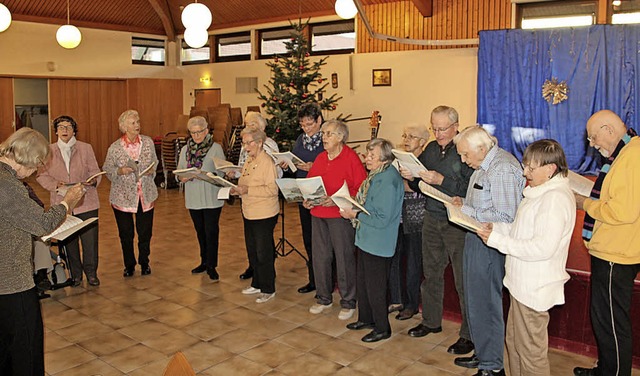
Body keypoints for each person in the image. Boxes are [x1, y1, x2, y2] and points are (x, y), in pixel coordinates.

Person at [477, 139, 576, 376]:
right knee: (515, 344)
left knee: (531, 354)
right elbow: (521, 231)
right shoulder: (539, 193)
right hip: (522, 286)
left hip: (535, 289)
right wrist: (496, 228)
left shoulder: (554, 200)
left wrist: (497, 241)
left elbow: (542, 248)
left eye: (531, 168)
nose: (525, 172)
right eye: (525, 165)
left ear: (550, 169)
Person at [0, 128, 84, 375]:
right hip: (11, 282)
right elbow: (42, 224)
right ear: (27, 158)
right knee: (25, 350)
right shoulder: (7, 185)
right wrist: (68, 202)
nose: (36, 171)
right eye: (37, 165)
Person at [451, 125, 525, 376]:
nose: (463, 160)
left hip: (491, 244)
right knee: (475, 301)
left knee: (486, 303)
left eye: (465, 154)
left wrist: (468, 212)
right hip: (477, 237)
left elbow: (506, 216)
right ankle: (484, 353)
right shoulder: (483, 165)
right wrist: (463, 203)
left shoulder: (502, 168)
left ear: (482, 148)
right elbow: (484, 203)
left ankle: (492, 366)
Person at [400, 105, 475, 355]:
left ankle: (468, 335)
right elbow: (417, 181)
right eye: (434, 128)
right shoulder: (431, 148)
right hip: (431, 217)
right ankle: (431, 321)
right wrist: (409, 174)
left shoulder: (466, 149)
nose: (439, 133)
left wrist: (442, 181)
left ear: (456, 125)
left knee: (463, 281)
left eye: (443, 129)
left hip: (458, 222)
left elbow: (472, 190)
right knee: (431, 273)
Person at [573, 110, 640, 376]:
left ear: (609, 130)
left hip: (618, 255)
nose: (592, 144)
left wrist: (584, 204)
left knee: (612, 324)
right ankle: (605, 369)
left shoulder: (632, 157)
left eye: (594, 137)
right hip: (612, 250)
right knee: (604, 320)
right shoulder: (623, 154)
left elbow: (622, 212)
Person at [341, 138, 404, 342]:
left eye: (371, 156)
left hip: (379, 241)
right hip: (366, 237)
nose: (366, 158)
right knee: (363, 282)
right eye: (367, 154)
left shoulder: (388, 180)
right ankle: (366, 318)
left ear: (384, 159)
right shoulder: (376, 175)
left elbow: (383, 218)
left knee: (376, 287)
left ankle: (382, 327)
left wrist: (355, 215)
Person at [306, 119, 367, 321]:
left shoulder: (351, 158)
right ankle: (323, 298)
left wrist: (336, 200)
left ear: (341, 137)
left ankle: (348, 301)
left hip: (340, 215)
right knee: (320, 257)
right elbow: (311, 183)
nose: (324, 137)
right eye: (323, 134)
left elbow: (360, 189)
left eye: (329, 134)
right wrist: (307, 199)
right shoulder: (321, 158)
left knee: (344, 258)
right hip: (318, 214)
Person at [37, 115, 102, 286]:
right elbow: (41, 176)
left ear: (74, 130)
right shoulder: (48, 151)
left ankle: (91, 273)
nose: (65, 130)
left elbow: (95, 171)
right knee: (69, 241)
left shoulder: (86, 148)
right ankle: (76, 275)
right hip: (62, 202)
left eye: (68, 127)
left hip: (86, 199)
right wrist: (55, 185)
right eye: (61, 127)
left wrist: (93, 180)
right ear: (56, 131)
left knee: (90, 241)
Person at [103, 109, 159, 277]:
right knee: (126, 234)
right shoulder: (114, 148)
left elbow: (155, 162)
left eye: (138, 122)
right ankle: (129, 264)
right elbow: (107, 169)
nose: (138, 126)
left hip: (146, 195)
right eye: (133, 123)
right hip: (123, 197)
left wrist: (151, 171)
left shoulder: (148, 142)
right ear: (124, 126)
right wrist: (119, 171)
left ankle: (144, 262)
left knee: (145, 232)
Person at [231, 128, 279, 304]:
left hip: (264, 213)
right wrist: (235, 189)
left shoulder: (267, 162)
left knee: (263, 252)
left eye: (249, 142)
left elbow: (273, 190)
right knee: (253, 250)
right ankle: (257, 283)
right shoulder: (250, 161)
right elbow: (243, 182)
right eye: (244, 143)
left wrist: (248, 190)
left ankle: (268, 288)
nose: (245, 147)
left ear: (259, 143)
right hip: (249, 211)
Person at [177, 116, 226, 281]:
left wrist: (206, 175)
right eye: (193, 133)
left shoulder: (216, 148)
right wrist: (182, 177)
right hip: (193, 197)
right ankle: (203, 262)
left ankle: (212, 266)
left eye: (199, 132)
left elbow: (222, 173)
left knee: (211, 232)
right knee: (200, 232)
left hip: (211, 197)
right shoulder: (185, 150)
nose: (196, 136)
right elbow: (179, 171)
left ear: (206, 131)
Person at [388, 125, 429, 320]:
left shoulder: (427, 162)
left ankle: (412, 304)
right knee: (394, 258)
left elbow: (421, 188)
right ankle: (396, 298)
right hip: (398, 216)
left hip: (417, 218)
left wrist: (407, 185)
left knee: (413, 263)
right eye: (405, 135)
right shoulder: (398, 159)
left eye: (412, 137)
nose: (406, 139)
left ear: (422, 142)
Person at [291, 103, 324, 294]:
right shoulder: (299, 140)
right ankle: (313, 279)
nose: (306, 128)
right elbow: (295, 162)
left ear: (319, 120)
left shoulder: (326, 140)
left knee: (323, 240)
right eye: (303, 124)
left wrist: (314, 166)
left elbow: (330, 165)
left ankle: (327, 280)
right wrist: (287, 163)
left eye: (309, 124)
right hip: (303, 193)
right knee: (309, 239)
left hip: (320, 195)